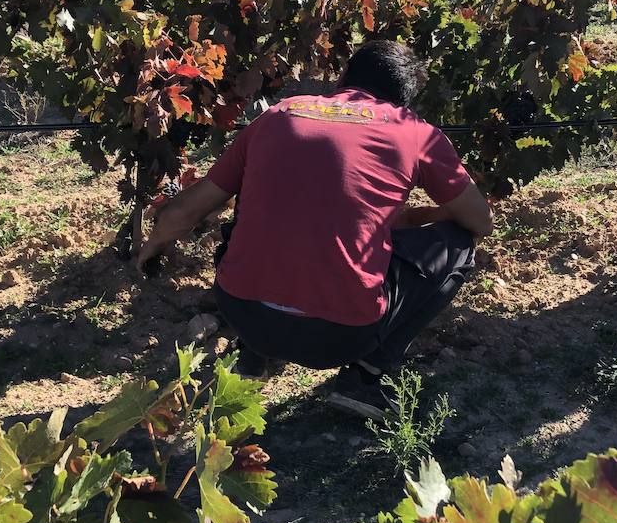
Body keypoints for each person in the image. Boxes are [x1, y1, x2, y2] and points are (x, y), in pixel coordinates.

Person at [136, 40, 493, 419]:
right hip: (339, 338)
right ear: (404, 100)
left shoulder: (277, 116)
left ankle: (253, 357)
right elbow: (479, 222)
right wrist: (420, 216)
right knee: (457, 243)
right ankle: (366, 376)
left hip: (245, 316)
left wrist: (150, 249)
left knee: (254, 206)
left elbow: (188, 209)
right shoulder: (413, 131)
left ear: (342, 78)